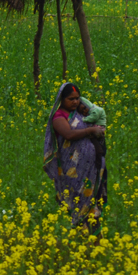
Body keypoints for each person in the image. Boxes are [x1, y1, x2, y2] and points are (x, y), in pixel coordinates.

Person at [43, 83, 108, 235]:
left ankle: (95, 239)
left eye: (77, 98)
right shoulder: (59, 117)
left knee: (94, 202)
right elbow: (69, 135)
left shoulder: (82, 112)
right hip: (73, 171)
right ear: (62, 99)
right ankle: (81, 237)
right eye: (70, 99)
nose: (75, 102)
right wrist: (91, 130)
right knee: (79, 200)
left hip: (92, 167)